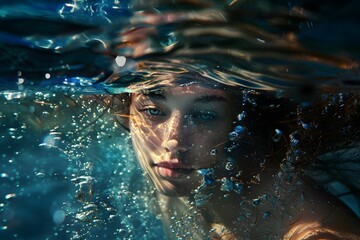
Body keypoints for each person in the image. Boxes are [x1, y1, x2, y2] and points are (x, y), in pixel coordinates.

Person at [108, 73, 360, 239]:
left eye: (205, 115)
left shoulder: (315, 234)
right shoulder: (179, 174)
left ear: (243, 124)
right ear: (128, 109)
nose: (173, 141)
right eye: (153, 111)